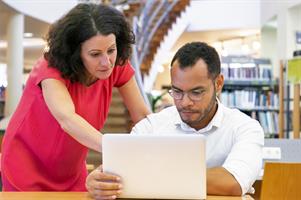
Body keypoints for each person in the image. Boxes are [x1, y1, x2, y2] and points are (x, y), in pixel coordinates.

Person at [1, 3, 150, 191]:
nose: (106, 62)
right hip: (27, 164)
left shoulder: (117, 65)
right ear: (75, 53)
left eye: (111, 50)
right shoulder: (50, 68)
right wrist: (116, 148)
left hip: (70, 169)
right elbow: (67, 119)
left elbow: (142, 115)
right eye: (95, 54)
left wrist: (157, 145)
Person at [85, 42, 264, 199]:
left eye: (196, 92)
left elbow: (233, 182)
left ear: (218, 84)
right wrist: (99, 182)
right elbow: (121, 175)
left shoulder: (245, 128)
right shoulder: (151, 126)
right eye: (177, 92)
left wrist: (152, 175)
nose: (185, 102)